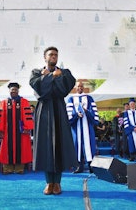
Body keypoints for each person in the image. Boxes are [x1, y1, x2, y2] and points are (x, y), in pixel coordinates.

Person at [29, 46, 78, 195]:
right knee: (45, 147)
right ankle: (48, 183)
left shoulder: (65, 73)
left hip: (59, 111)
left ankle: (57, 183)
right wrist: (52, 77)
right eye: (50, 55)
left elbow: (62, 91)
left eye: (56, 55)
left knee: (59, 147)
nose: (53, 57)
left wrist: (51, 78)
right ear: (45, 57)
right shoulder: (36, 73)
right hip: (44, 111)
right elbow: (40, 90)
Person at [0, 82, 34, 174]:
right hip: (7, 131)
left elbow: (28, 116)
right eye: (12, 90)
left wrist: (27, 127)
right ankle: (7, 169)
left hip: (21, 131)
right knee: (6, 149)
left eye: (15, 90)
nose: (13, 91)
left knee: (21, 149)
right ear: (9, 91)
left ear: (18, 91)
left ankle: (19, 168)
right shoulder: (4, 102)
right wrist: (1, 130)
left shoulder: (24, 102)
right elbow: (0, 118)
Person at [67, 81, 99, 173]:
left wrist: (87, 111)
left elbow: (94, 111)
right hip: (76, 126)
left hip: (87, 126)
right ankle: (79, 167)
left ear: (83, 87)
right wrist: (76, 114)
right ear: (75, 88)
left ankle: (91, 166)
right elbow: (69, 112)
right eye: (78, 86)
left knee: (89, 145)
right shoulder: (71, 99)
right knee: (77, 145)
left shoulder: (89, 98)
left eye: (81, 86)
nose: (80, 88)